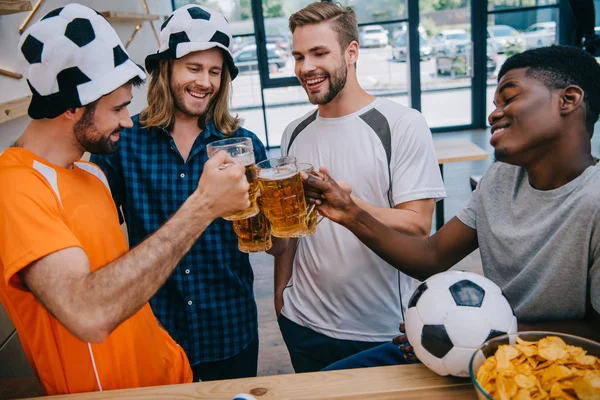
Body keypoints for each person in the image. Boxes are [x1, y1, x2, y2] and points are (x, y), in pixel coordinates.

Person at [0, 4, 252, 395]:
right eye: (118, 108)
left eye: (214, 70)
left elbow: (125, 275)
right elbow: (88, 312)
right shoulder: (14, 188)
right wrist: (203, 206)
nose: (128, 120)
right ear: (71, 108)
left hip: (174, 369)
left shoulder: (90, 173)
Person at [302, 45, 600, 371]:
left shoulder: (594, 201)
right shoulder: (501, 178)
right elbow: (431, 256)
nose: (493, 114)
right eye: (494, 104)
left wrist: (483, 336)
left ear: (568, 100)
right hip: (482, 351)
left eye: (510, 98)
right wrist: (351, 214)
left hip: (558, 372)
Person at [90, 5, 267, 382]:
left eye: (215, 71)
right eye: (194, 68)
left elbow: (270, 234)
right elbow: (94, 230)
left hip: (230, 328)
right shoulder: (124, 141)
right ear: (166, 68)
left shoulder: (246, 146)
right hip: (155, 328)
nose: (206, 81)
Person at [274, 2, 446, 373]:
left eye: (320, 53)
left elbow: (418, 225)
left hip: (380, 330)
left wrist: (350, 206)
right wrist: (281, 299)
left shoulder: (402, 124)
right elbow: (291, 234)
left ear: (352, 52)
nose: (306, 68)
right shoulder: (293, 132)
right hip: (302, 321)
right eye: (298, 56)